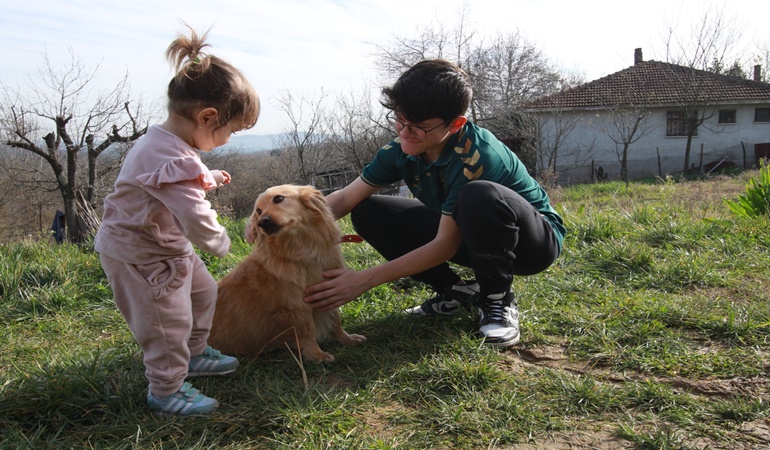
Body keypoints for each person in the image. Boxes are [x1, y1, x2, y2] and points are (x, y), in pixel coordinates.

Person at [304, 59, 565, 348]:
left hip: (531, 245)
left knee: (478, 195)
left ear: (456, 124)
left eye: (419, 127)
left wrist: (362, 280)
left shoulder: (477, 157)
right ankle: (455, 291)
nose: (404, 133)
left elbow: (444, 246)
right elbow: (346, 197)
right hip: (470, 235)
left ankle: (497, 300)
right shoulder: (401, 148)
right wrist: (286, 225)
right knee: (367, 211)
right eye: (400, 120)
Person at [94, 25, 260, 416]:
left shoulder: (168, 143)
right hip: (141, 256)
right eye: (230, 131)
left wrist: (208, 176)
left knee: (203, 292)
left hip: (165, 247)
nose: (228, 140)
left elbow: (172, 182)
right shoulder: (171, 155)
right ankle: (166, 390)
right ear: (207, 117)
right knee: (166, 324)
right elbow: (193, 213)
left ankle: (195, 352)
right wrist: (219, 241)